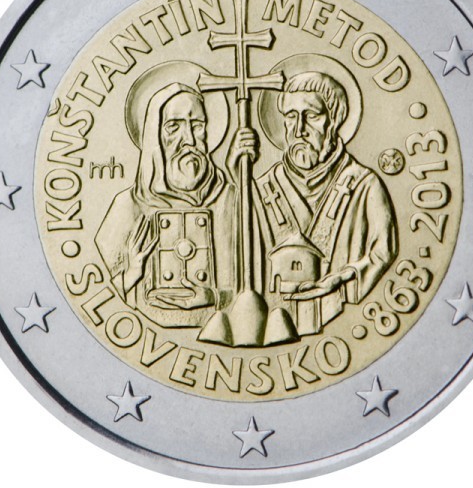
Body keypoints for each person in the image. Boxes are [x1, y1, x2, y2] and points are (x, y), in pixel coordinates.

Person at [233, 71, 398, 318]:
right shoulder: (260, 187)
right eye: (291, 116)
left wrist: (343, 278)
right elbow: (234, 257)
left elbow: (383, 253)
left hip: (338, 315)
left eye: (311, 116)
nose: (299, 130)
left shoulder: (364, 185)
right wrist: (237, 181)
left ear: (334, 121)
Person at [95, 82, 239, 328]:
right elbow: (104, 296)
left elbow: (266, 287)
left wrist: (216, 297)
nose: (189, 140)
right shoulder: (127, 206)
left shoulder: (231, 198)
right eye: (174, 127)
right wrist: (131, 274)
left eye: (197, 126)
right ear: (154, 136)